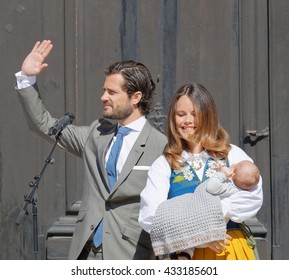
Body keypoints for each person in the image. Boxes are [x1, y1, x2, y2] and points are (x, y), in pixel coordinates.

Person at [14, 40, 167, 260]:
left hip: (130, 255)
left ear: (136, 97)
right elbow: (45, 126)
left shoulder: (160, 146)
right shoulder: (97, 133)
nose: (103, 97)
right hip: (85, 253)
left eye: (112, 92)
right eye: (104, 90)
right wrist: (27, 79)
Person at [138, 83, 263, 260]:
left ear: (208, 116)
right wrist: (199, 235)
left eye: (194, 114)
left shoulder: (232, 154)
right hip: (185, 254)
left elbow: (252, 197)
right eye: (181, 114)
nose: (187, 120)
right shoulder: (164, 164)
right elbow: (151, 216)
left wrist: (208, 221)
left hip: (229, 249)